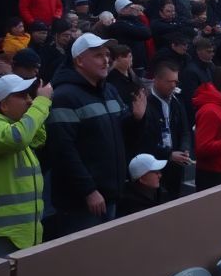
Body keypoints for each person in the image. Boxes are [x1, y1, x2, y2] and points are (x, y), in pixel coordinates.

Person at [46, 33, 146, 236]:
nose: (106, 60)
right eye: (98, 55)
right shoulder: (64, 96)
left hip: (110, 194)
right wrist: (88, 190)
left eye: (107, 55)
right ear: (79, 60)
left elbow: (119, 134)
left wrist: (136, 118)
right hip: (82, 203)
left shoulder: (109, 90)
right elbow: (64, 151)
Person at [0, 74, 52, 257]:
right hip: (3, 235)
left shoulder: (14, 126)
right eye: (23, 96)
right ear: (4, 105)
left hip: (26, 233)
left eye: (30, 96)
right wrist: (42, 102)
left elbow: (37, 138)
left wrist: (34, 106)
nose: (30, 101)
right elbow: (19, 137)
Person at [137, 62, 191, 199]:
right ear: (156, 80)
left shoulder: (177, 101)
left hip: (176, 165)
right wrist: (169, 155)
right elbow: (144, 140)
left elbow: (185, 130)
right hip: (154, 166)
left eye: (176, 81)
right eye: (169, 81)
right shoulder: (145, 104)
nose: (173, 85)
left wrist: (184, 149)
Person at [118, 154, 167, 218]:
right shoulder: (130, 207)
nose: (160, 175)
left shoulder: (161, 194)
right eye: (155, 172)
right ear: (142, 179)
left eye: (159, 171)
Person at [180, 36, 215, 125]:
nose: (212, 54)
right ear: (199, 51)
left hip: (210, 108)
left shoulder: (210, 66)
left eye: (212, 51)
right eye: (209, 52)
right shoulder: (190, 71)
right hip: (200, 114)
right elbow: (191, 99)